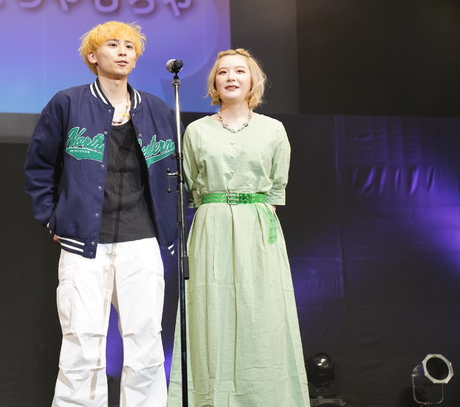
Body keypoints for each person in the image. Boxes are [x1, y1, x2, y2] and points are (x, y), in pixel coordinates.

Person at [24, 21, 179, 407]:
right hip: (83, 242)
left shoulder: (157, 109)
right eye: (113, 45)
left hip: (142, 240)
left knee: (145, 341)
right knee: (82, 342)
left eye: (129, 46)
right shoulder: (68, 103)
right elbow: (39, 166)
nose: (123, 51)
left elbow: (174, 172)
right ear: (93, 56)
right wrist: (52, 217)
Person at [167, 48, 310, 406]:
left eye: (239, 71)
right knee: (209, 312)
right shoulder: (196, 131)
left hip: (256, 226)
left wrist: (251, 216)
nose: (231, 77)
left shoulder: (273, 129)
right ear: (214, 82)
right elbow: (191, 184)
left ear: (252, 81)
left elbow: (276, 187)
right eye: (223, 72)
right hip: (211, 224)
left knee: (261, 312)